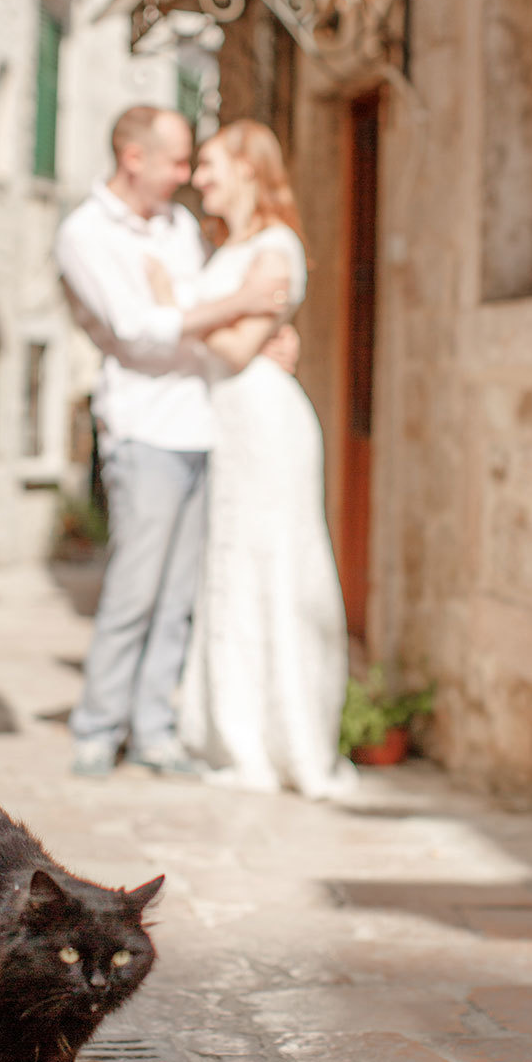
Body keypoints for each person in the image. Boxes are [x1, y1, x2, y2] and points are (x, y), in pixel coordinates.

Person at [55, 106, 289, 778]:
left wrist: (256, 331)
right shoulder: (86, 233)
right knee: (135, 586)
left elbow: (188, 315)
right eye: (178, 162)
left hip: (203, 422)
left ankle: (153, 729)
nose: (187, 176)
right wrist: (244, 301)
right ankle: (98, 729)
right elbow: (138, 331)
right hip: (144, 427)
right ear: (134, 158)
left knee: (178, 593)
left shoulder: (181, 226)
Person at [148, 120, 355, 800]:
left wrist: (177, 307)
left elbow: (237, 351)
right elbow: (231, 334)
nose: (199, 178)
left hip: (266, 422)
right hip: (229, 426)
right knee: (231, 566)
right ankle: (235, 728)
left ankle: (281, 738)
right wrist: (222, 312)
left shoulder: (278, 245)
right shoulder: (231, 250)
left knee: (272, 567)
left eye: (209, 164)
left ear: (247, 167)